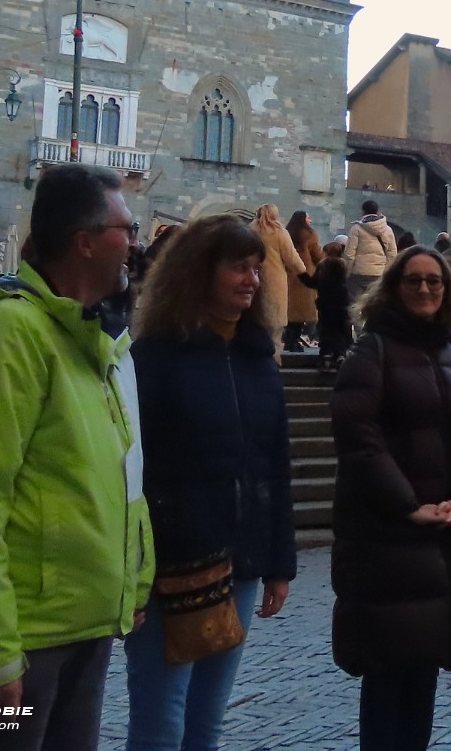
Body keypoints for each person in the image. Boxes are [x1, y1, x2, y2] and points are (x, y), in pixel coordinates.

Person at [0, 164, 153, 751]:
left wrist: (132, 583)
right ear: (84, 242)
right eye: (126, 229)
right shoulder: (10, 333)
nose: (136, 243)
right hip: (24, 638)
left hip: (82, 626)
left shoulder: (94, 339)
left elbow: (122, 476)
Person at [125, 214, 296, 751]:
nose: (252, 280)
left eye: (256, 268)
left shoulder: (259, 361)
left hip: (241, 560)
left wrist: (278, 562)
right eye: (239, 267)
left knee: (206, 725)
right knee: (160, 725)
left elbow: (274, 466)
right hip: (172, 567)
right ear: (201, 272)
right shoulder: (153, 358)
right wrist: (134, 573)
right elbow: (134, 470)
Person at [330, 245, 451, 751]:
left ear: (446, 290)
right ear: (394, 288)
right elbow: (358, 438)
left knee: (423, 669)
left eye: (434, 281)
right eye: (414, 280)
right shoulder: (371, 351)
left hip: (442, 533)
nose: (425, 288)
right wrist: (407, 505)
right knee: (388, 671)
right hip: (388, 536)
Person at [252, 204, 305, 363]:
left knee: (255, 318)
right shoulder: (279, 232)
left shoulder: (250, 231)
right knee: (275, 324)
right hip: (275, 280)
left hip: (254, 276)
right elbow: (292, 258)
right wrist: (302, 270)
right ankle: (273, 359)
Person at [299, 241, 352, 375]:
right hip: (342, 303)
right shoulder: (344, 266)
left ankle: (326, 355)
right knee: (340, 329)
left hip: (325, 303)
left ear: (326, 252)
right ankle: (340, 355)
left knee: (326, 329)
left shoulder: (322, 265)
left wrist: (301, 273)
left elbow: (313, 283)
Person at [344, 200, 397, 310]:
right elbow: (392, 254)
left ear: (363, 212)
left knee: (355, 305)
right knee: (375, 304)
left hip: (358, 273)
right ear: (377, 211)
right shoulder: (388, 230)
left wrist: (347, 272)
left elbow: (349, 254)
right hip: (379, 273)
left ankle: (358, 322)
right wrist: (385, 272)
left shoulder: (356, 229)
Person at [285, 210, 323, 353]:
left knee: (290, 310)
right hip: (305, 276)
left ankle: (289, 340)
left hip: (289, 274)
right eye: (308, 217)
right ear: (303, 219)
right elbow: (317, 255)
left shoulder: (286, 233)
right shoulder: (310, 234)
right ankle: (294, 341)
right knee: (302, 311)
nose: (310, 220)